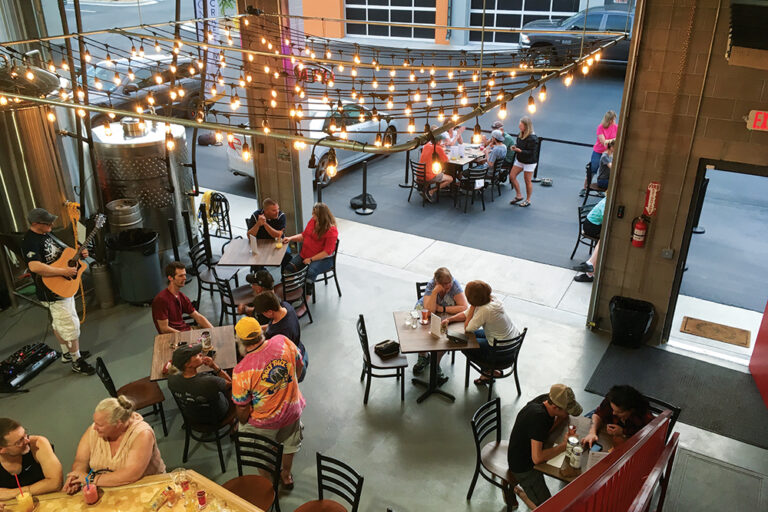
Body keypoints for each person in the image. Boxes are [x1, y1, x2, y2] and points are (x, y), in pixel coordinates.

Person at [231, 317, 305, 489]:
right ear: (261, 333)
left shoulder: (242, 370)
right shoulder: (283, 341)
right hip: (292, 410)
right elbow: (299, 366)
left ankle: (268, 482)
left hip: (265, 422)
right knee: (290, 444)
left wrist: (241, 422)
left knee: (259, 451)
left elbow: (242, 409)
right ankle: (286, 475)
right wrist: (288, 388)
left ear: (241, 342)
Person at [21, 208, 94, 375]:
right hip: (52, 291)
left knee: (58, 322)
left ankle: (67, 353)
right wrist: (63, 272)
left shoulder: (47, 234)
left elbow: (64, 256)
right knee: (70, 326)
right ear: (35, 224)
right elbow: (34, 266)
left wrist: (80, 254)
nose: (52, 224)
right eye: (47, 223)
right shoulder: (29, 241)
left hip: (61, 285)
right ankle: (77, 362)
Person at [63, 396, 166, 494]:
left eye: (100, 425)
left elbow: (131, 475)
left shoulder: (142, 434)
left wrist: (90, 479)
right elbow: (81, 461)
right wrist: (75, 477)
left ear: (118, 423)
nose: (94, 428)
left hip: (147, 489)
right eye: (95, 423)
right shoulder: (94, 431)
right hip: (108, 490)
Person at [507, 384, 583, 507]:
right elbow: (537, 458)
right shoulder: (538, 417)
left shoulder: (545, 400)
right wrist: (564, 445)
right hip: (523, 467)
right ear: (555, 407)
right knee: (547, 507)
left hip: (528, 451)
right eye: (566, 411)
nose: (567, 414)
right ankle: (522, 494)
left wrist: (561, 417)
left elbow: (543, 431)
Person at [442, 280, 520, 385]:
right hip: (511, 342)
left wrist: (473, 307)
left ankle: (487, 372)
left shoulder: (485, 310)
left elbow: (468, 328)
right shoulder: (492, 299)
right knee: (471, 337)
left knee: (464, 344)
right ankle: (489, 371)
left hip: (501, 352)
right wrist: (450, 320)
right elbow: (467, 313)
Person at [412, 268, 469, 383]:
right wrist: (434, 292)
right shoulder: (431, 284)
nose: (448, 287)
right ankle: (423, 356)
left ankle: (436, 363)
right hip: (424, 310)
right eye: (445, 285)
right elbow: (429, 310)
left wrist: (442, 308)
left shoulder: (455, 285)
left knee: (444, 338)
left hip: (445, 313)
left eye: (450, 283)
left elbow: (464, 307)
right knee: (420, 331)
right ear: (437, 282)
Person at [167, 344, 233, 426]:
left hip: (192, 416)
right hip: (215, 417)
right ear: (187, 364)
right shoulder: (209, 381)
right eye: (196, 355)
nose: (201, 354)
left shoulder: (171, 378)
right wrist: (214, 366)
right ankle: (233, 428)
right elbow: (230, 384)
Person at [283, 203, 338, 298]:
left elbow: (327, 252)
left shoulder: (331, 230)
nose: (313, 216)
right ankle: (294, 293)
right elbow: (303, 236)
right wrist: (290, 238)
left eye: (315, 214)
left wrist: (311, 259)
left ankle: (305, 302)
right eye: (313, 213)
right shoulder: (312, 221)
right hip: (306, 254)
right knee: (289, 269)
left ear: (322, 216)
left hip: (323, 259)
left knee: (310, 273)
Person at [251, 291, 307, 382]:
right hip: (300, 349)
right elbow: (272, 325)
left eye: (263, 313)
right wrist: (258, 329)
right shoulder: (284, 306)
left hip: (295, 367)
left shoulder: (280, 334)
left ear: (269, 312)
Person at [0, 418, 62, 499]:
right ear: (1, 449)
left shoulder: (37, 444)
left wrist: (12, 493)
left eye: (25, 434)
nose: (27, 440)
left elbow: (55, 483)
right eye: (19, 442)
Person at [582, 385, 653, 449]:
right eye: (612, 409)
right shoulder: (611, 401)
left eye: (619, 412)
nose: (613, 413)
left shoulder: (645, 418)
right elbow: (598, 414)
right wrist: (592, 432)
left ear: (631, 410)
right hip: (607, 437)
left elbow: (646, 440)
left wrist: (623, 433)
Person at [151, 262, 213, 334]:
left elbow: (198, 317)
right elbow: (164, 329)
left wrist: (213, 331)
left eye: (185, 275)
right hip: (175, 337)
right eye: (180, 276)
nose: (185, 278)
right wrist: (184, 336)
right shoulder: (161, 300)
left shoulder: (181, 296)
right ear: (170, 278)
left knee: (211, 335)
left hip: (185, 331)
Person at [246, 198, 292, 269]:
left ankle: (285, 275)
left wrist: (265, 224)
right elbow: (250, 236)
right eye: (274, 210)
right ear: (266, 211)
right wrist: (258, 224)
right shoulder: (255, 216)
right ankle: (262, 275)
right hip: (261, 243)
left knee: (287, 255)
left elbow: (278, 235)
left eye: (278, 209)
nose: (277, 212)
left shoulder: (281, 216)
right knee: (255, 260)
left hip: (278, 242)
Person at [583, 110, 618, 196]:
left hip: (609, 152)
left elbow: (614, 140)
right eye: (613, 119)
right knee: (593, 170)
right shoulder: (600, 127)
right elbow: (603, 142)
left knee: (604, 171)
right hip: (598, 152)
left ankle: (600, 188)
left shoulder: (616, 127)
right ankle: (585, 188)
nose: (614, 121)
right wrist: (613, 141)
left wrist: (611, 142)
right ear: (609, 120)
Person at [572, 197, 606, 283]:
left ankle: (591, 267)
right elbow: (606, 220)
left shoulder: (608, 199)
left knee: (604, 239)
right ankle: (591, 269)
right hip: (591, 226)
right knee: (605, 239)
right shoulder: (606, 203)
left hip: (595, 224)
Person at [508, 116, 539, 208]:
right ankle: (519, 195)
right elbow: (519, 145)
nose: (519, 126)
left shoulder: (533, 138)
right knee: (512, 176)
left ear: (526, 126)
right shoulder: (520, 134)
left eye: (520, 125)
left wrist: (519, 151)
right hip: (520, 160)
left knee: (527, 181)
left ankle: (528, 200)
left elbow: (531, 152)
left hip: (529, 162)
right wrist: (515, 147)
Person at [419, 126, 453, 200]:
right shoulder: (438, 148)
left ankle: (424, 190)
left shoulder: (427, 146)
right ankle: (431, 191)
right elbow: (446, 160)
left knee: (434, 170)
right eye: (441, 140)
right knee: (450, 179)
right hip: (428, 176)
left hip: (419, 174)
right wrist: (441, 149)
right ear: (439, 141)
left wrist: (439, 146)